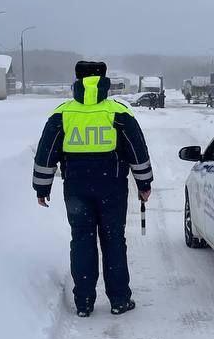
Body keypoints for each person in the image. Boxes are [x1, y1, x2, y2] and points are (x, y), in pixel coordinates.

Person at [33, 60, 153, 317]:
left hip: (76, 189)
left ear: (77, 80)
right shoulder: (118, 112)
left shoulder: (63, 113)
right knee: (114, 241)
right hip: (113, 188)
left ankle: (84, 302)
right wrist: (144, 184)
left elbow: (46, 153)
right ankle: (119, 299)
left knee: (82, 241)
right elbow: (137, 151)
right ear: (104, 81)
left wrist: (42, 188)